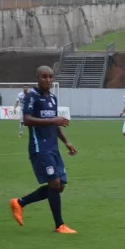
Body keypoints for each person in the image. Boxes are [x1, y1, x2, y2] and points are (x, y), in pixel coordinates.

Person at [9, 66, 78, 234]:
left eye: (50, 77)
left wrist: (66, 142)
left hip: (53, 147)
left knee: (60, 186)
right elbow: (26, 120)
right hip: (39, 147)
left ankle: (20, 203)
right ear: (37, 78)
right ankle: (59, 225)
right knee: (54, 183)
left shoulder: (53, 98)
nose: (48, 80)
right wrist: (52, 120)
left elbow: (55, 125)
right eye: (44, 77)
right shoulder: (32, 96)